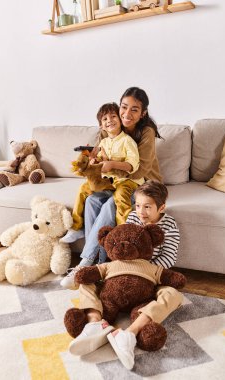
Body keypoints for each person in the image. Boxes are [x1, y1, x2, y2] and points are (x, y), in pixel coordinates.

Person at [68, 181, 182, 370]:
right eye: (138, 206)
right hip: (120, 268)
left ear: (161, 207)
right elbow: (122, 243)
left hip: (149, 275)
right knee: (86, 282)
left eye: (147, 207)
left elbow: (169, 257)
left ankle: (129, 333)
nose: (141, 212)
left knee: (173, 294)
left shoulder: (169, 225)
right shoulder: (133, 217)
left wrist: (146, 271)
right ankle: (95, 322)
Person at [61, 87, 162, 289]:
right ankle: (100, 264)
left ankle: (85, 264)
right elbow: (99, 157)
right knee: (91, 200)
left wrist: (111, 165)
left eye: (134, 110)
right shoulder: (110, 128)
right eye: (124, 107)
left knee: (110, 205)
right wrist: (93, 163)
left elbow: (139, 170)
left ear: (143, 113)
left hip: (143, 184)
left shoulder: (145, 132)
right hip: (114, 181)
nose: (127, 114)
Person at [61, 102, 144, 245]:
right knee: (83, 189)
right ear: (101, 125)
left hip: (126, 181)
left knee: (120, 196)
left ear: (120, 119)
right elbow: (100, 162)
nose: (109, 120)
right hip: (108, 181)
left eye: (113, 116)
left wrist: (112, 164)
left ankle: (123, 232)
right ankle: (76, 227)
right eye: (105, 119)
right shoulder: (103, 143)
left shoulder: (127, 141)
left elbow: (132, 165)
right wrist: (93, 162)